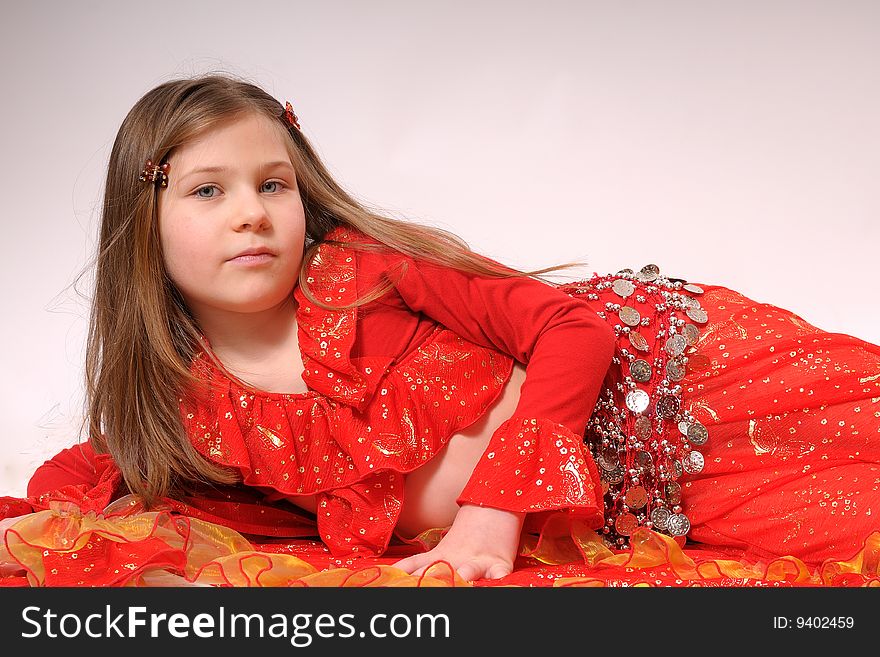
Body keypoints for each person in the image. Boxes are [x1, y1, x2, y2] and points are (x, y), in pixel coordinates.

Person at [4, 73, 880, 586]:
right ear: (141, 219)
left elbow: (572, 327)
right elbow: (104, 474)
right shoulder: (194, 409)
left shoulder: (362, 271)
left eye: (274, 184)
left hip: (673, 376)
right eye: (209, 190)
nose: (252, 215)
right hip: (645, 504)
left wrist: (493, 510)